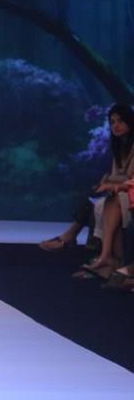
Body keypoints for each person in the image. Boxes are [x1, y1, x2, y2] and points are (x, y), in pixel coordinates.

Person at [72, 104, 134, 280]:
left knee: (112, 201)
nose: (116, 125)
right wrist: (108, 181)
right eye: (112, 122)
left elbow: (129, 176)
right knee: (101, 202)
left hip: (130, 192)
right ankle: (108, 260)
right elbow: (117, 176)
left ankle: (106, 258)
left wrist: (109, 182)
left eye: (120, 121)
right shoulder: (119, 146)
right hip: (124, 192)